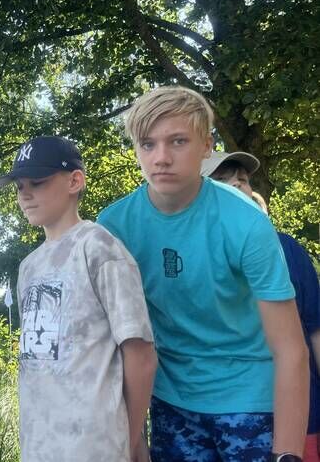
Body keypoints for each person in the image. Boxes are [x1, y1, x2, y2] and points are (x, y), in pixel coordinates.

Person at [97, 86, 309, 462]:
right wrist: (131, 439)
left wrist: (288, 454)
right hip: (170, 402)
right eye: (148, 144)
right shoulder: (113, 227)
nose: (161, 158)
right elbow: (109, 344)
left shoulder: (246, 221)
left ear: (207, 146)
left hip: (249, 398)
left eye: (177, 141)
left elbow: (291, 349)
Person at [0, 136, 157, 462]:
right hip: (39, 445)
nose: (24, 194)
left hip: (96, 446)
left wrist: (129, 438)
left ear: (74, 181)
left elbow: (140, 353)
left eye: (37, 182)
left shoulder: (98, 247)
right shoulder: (28, 267)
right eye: (19, 186)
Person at [202, 150, 320, 462]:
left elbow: (315, 329)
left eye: (242, 180)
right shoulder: (184, 258)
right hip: (214, 421)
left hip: (299, 419)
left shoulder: (287, 248)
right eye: (221, 180)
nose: (237, 185)